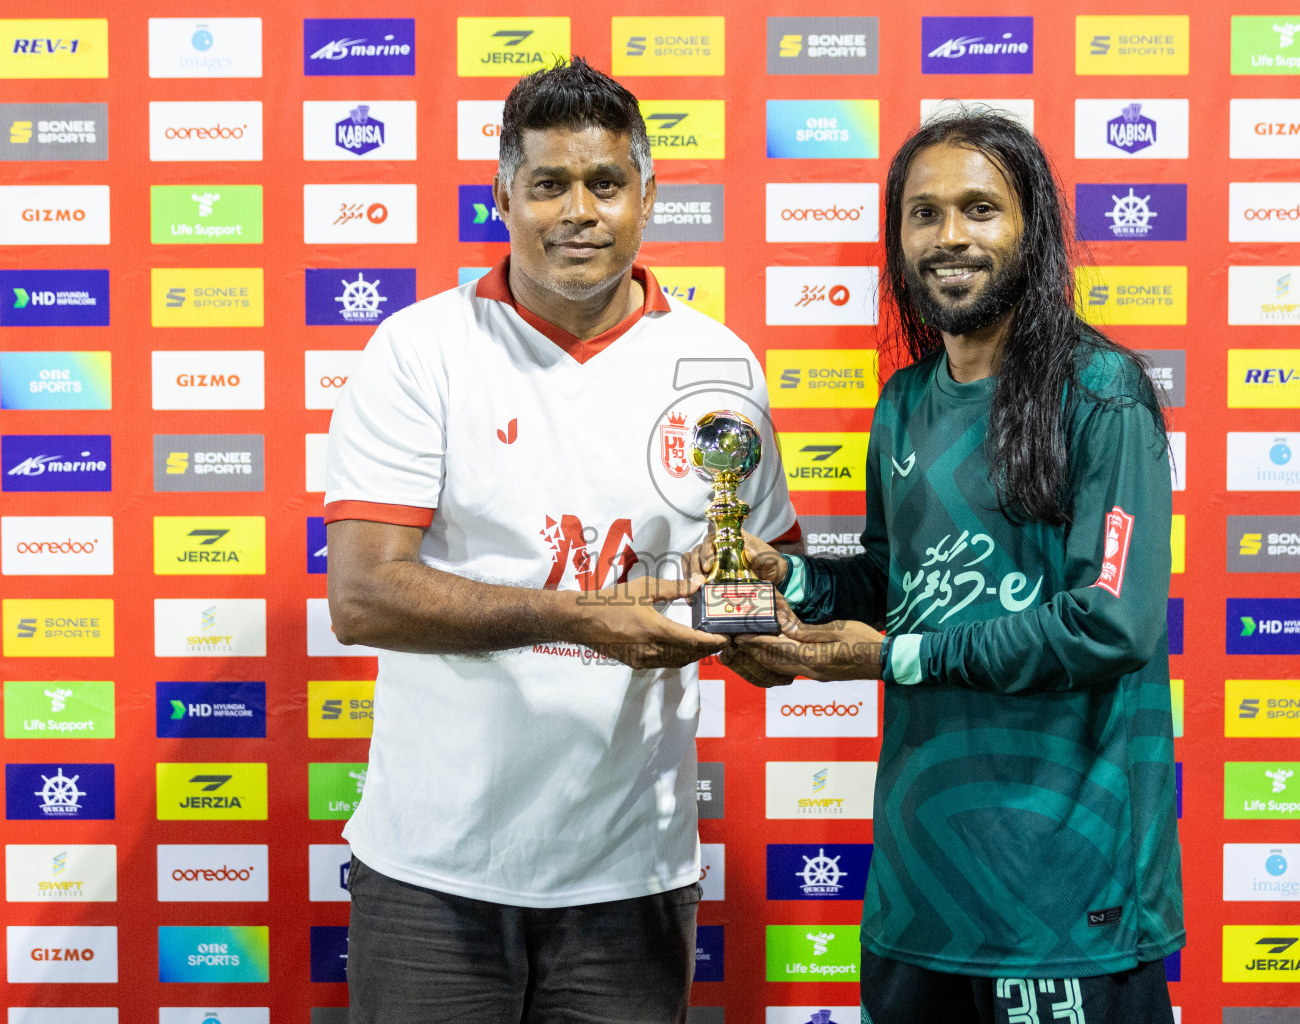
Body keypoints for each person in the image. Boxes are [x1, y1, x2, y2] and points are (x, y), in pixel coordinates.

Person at [324, 57, 799, 1024]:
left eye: (605, 183)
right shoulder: (421, 350)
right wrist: (585, 618)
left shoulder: (717, 361)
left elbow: (756, 572)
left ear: (647, 195)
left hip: (629, 876)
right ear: (503, 194)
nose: (578, 210)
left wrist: (767, 623)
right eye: (548, 184)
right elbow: (364, 595)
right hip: (433, 872)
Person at [714, 111, 1183, 1023]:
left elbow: (1112, 621)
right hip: (920, 893)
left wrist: (896, 658)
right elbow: (896, 587)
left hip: (1063, 896)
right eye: (924, 214)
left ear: (1032, 228)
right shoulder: (903, 403)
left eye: (979, 208)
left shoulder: (1100, 393)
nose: (950, 237)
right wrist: (790, 579)